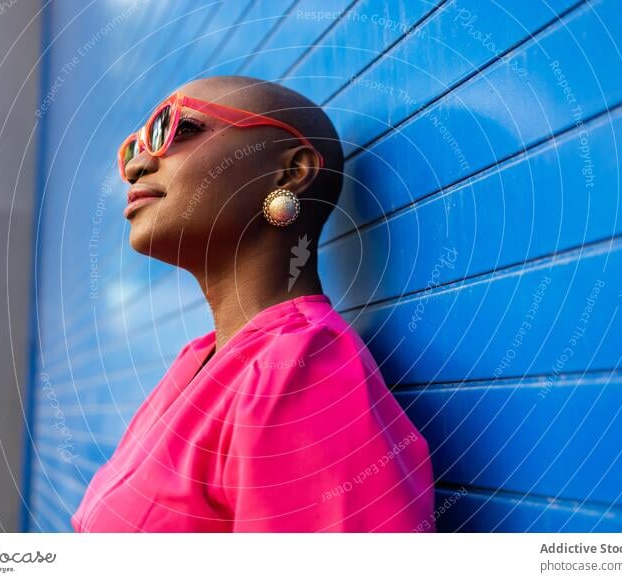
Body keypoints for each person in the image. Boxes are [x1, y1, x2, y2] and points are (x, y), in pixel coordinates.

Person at [70, 75, 435, 532]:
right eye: (134, 147)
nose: (137, 165)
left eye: (178, 130)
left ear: (291, 172)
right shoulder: (197, 362)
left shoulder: (300, 369)